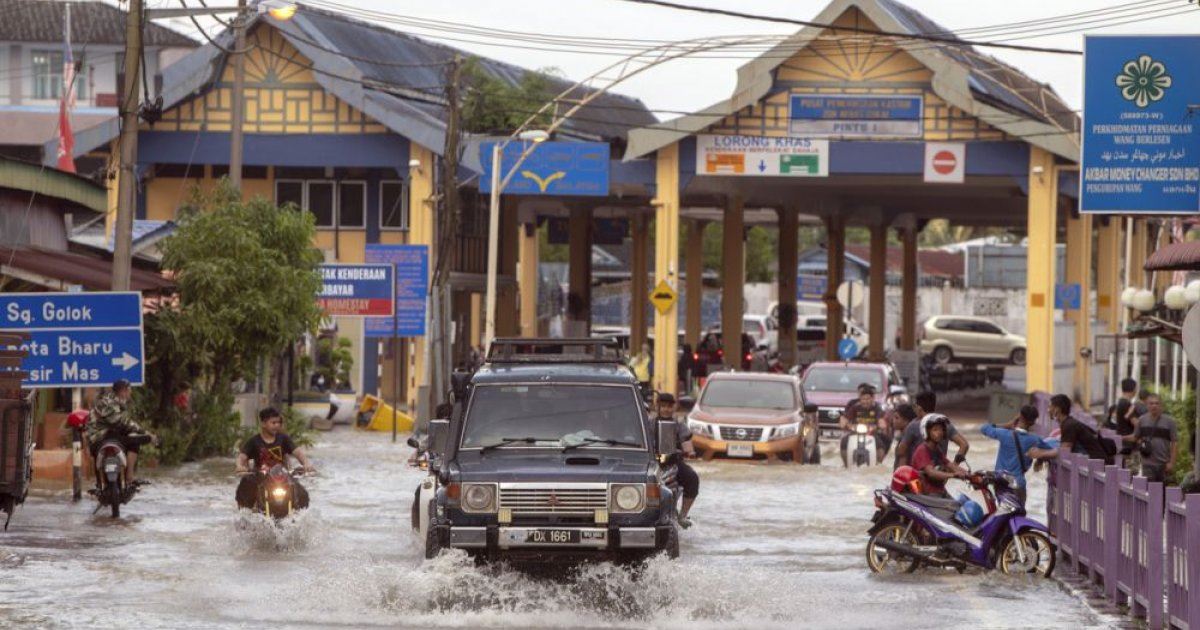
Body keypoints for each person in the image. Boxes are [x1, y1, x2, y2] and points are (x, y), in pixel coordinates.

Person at [235, 407, 316, 510]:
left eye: (278, 423)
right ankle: (248, 511)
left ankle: (300, 512)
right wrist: (239, 466)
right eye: (273, 423)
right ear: (263, 424)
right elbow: (241, 457)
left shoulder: (284, 439)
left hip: (282, 477)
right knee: (246, 486)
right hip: (261, 477)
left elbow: (298, 453)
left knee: (300, 492)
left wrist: (306, 464)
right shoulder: (254, 441)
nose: (277, 425)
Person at [980, 405, 1055, 504]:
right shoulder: (1034, 440)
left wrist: (1007, 425)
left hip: (1001, 483)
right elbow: (1052, 450)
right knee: (1019, 511)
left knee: (1003, 510)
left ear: (1020, 416)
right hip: (1017, 483)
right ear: (1033, 422)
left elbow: (984, 428)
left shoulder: (1004, 434)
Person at [87, 379, 153, 484]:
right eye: (129, 390)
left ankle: (100, 482)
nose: (130, 393)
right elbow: (120, 422)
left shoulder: (111, 401)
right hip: (101, 437)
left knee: (134, 438)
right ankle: (129, 477)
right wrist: (144, 433)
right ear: (123, 391)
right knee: (136, 441)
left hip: (97, 440)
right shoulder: (110, 403)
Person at [1029, 394, 1113, 465]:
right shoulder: (1069, 423)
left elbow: (1063, 451)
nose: (1048, 410)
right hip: (1095, 465)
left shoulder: (1069, 425)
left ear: (1057, 409)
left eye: (1050, 407)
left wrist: (1040, 454)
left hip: (1098, 467)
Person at [655, 393, 698, 529]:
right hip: (653, 462)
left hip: (673, 461)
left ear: (673, 407)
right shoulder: (648, 424)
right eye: (663, 406)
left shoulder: (679, 425)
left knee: (692, 478)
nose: (666, 409)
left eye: (669, 406)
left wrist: (690, 452)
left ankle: (683, 515)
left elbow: (686, 441)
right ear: (657, 407)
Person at [894, 391, 969, 468]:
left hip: (918, 472)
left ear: (919, 408)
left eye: (915, 407)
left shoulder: (914, 425)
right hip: (940, 472)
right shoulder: (945, 423)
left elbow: (901, 451)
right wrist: (955, 465)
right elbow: (964, 445)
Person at [910, 414, 969, 498]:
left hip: (939, 490)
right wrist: (953, 475)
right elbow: (931, 473)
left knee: (963, 502)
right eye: (935, 429)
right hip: (927, 494)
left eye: (941, 429)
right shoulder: (922, 450)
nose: (940, 432)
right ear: (926, 431)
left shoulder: (936, 449)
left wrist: (969, 475)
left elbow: (950, 465)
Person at [1124, 394, 1177, 483]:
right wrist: (1121, 437)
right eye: (1151, 403)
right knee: (1149, 488)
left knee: (1163, 489)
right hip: (1147, 463)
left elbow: (1174, 443)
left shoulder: (1170, 422)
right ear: (1147, 405)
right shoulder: (1142, 420)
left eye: (1157, 403)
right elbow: (1135, 437)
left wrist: (1171, 462)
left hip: (1163, 464)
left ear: (1161, 405)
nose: (1154, 406)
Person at [839, 384, 887, 467]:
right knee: (844, 442)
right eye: (863, 399)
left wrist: (879, 425)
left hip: (872, 433)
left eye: (868, 399)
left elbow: (881, 421)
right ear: (860, 399)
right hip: (855, 432)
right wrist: (846, 424)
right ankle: (846, 464)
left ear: (872, 399)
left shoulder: (877, 408)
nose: (865, 401)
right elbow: (846, 418)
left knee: (880, 445)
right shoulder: (855, 407)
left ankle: (878, 464)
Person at [1105, 378, 1146, 455]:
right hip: (1128, 443)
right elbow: (1136, 423)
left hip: (1123, 441)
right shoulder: (1127, 404)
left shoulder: (1120, 402)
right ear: (1134, 389)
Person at [891, 403, 919, 470]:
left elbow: (902, 466)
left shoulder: (906, 441)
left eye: (896, 418)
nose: (893, 420)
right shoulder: (905, 437)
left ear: (906, 421)